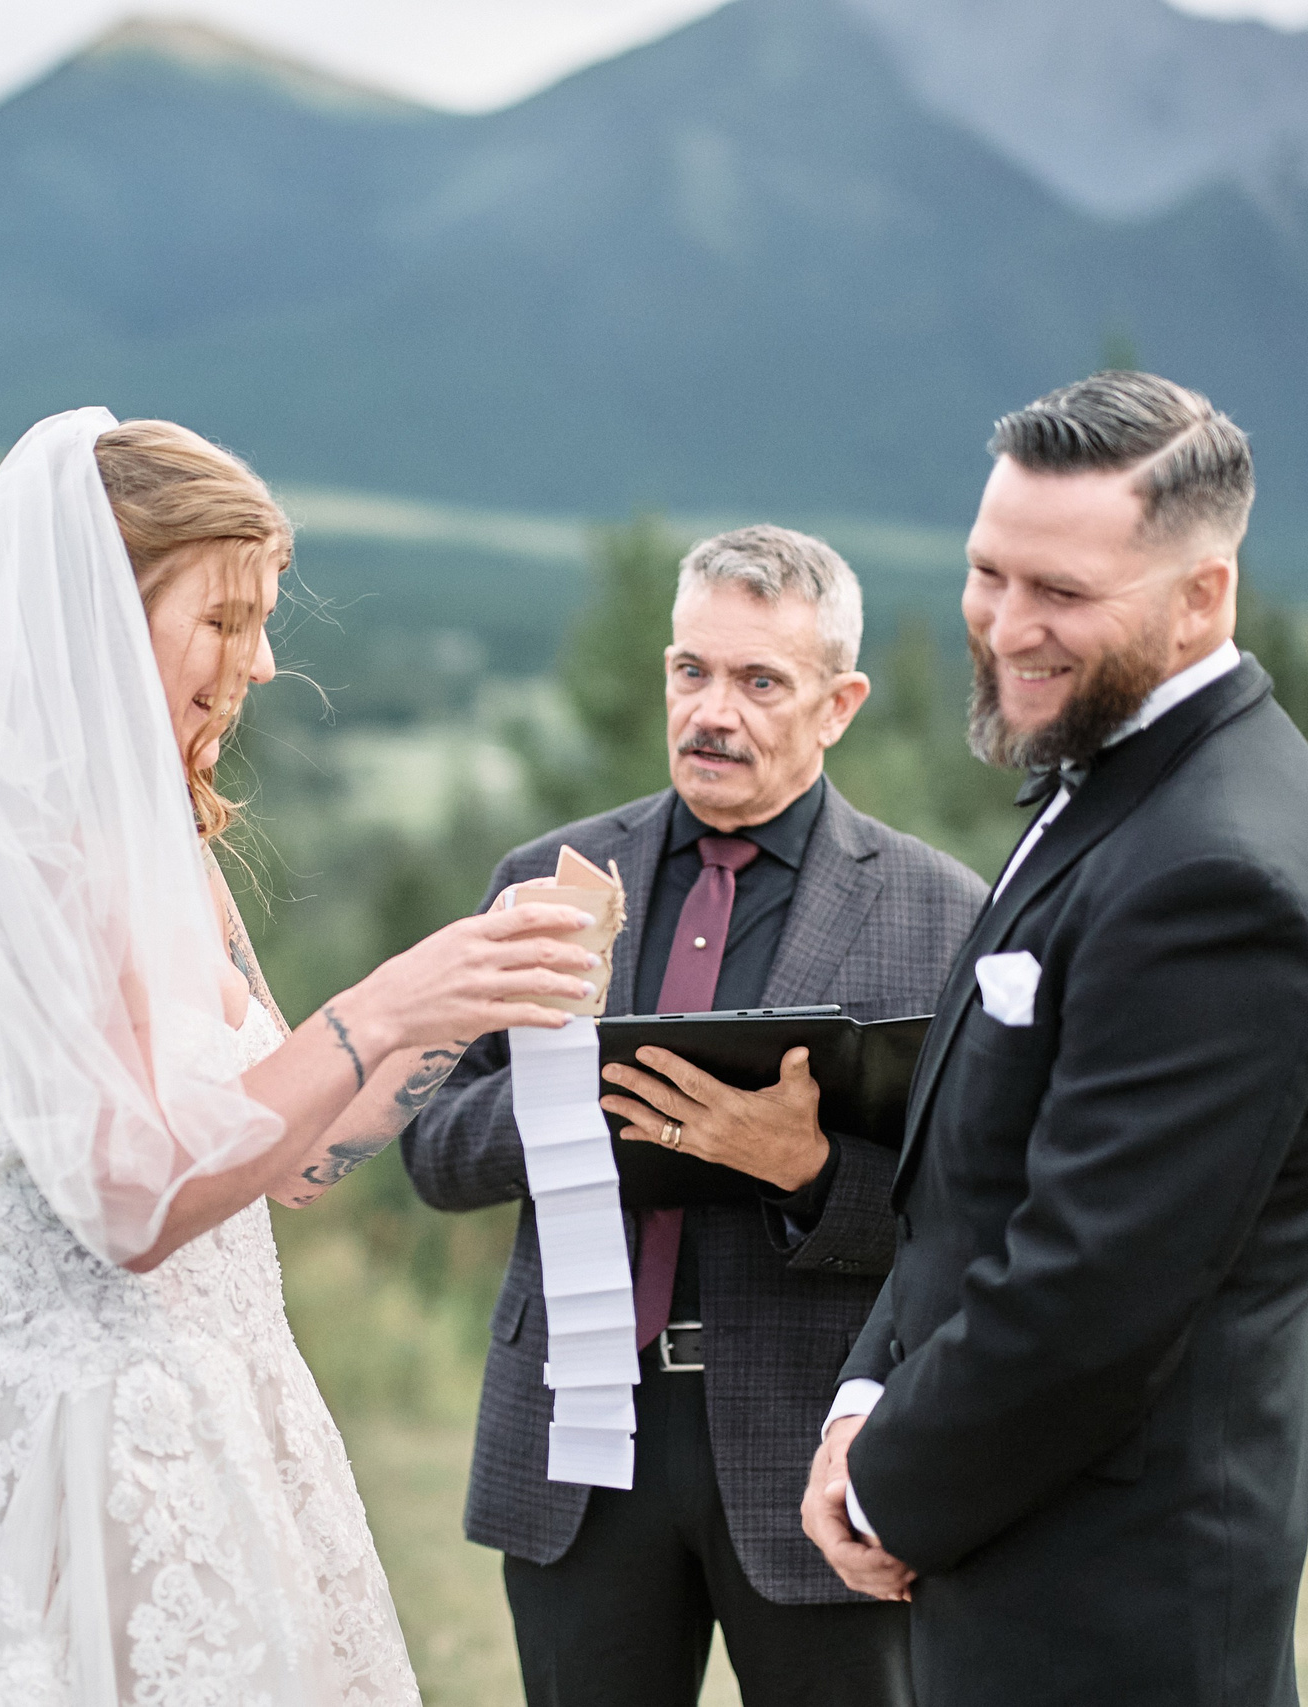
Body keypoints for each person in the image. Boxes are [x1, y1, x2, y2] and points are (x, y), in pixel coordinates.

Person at [0, 409, 602, 1707]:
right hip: (94, 1460)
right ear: (103, 624)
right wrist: (378, 999)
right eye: (223, 621)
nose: (262, 661)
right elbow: (134, 1204)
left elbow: (297, 1160)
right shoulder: (21, 880)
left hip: (245, 1432)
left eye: (262, 620)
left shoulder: (180, 865)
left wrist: (458, 996)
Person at [801, 373, 1308, 1706]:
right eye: (987, 573)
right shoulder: (1111, 778)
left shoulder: (1223, 874)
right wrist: (861, 1398)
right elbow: (975, 1172)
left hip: (1117, 1602)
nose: (1008, 626)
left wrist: (891, 1480)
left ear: (1203, 595)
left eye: (1060, 592)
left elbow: (1095, 1284)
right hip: (1021, 1551)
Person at [403, 526, 986, 1707]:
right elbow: (432, 1147)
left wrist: (810, 1172)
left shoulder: (940, 915)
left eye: (759, 682)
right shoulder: (545, 881)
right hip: (577, 1451)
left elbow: (977, 1218)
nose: (711, 711)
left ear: (839, 704)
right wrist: (575, 1116)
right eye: (691, 671)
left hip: (810, 1447)